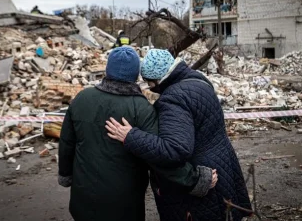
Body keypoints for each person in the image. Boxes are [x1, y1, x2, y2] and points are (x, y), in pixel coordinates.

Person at [58, 47, 216, 221]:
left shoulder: (82, 98)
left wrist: (65, 174)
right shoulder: (141, 109)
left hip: (83, 197)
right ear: (135, 75)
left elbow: (66, 143)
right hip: (124, 203)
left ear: (108, 69)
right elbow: (160, 158)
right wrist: (195, 180)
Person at [106, 49, 252, 221]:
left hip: (201, 184)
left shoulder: (173, 99)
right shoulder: (198, 81)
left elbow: (174, 149)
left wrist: (131, 136)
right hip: (222, 165)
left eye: (149, 82)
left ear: (158, 79)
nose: (150, 87)